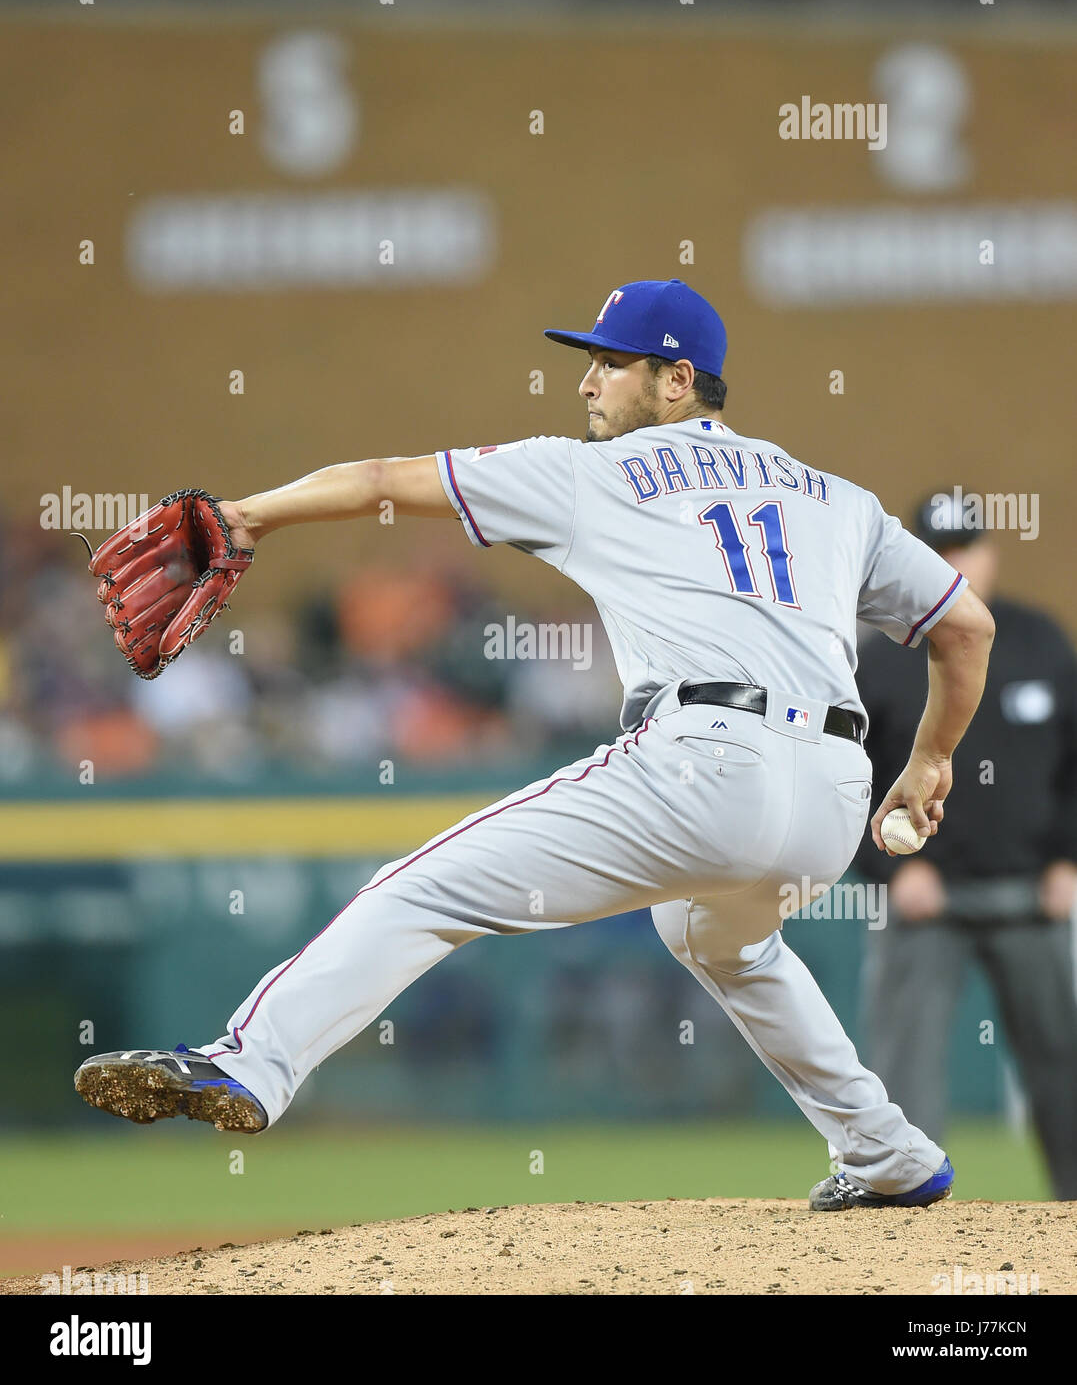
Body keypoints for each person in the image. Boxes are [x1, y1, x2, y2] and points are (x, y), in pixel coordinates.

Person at [75, 278, 995, 1211]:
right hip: (835, 793)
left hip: (704, 760)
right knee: (724, 941)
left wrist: (246, 517)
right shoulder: (837, 498)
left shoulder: (590, 473)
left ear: (677, 380)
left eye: (608, 362)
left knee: (425, 887)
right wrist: (927, 760)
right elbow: (967, 628)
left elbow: (385, 479)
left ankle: (251, 1062)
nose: (587, 382)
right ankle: (888, 1155)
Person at [856, 493, 1077, 1198]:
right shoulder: (883, 655)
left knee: (1062, 1065)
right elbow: (846, 777)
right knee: (904, 1069)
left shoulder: (1039, 639)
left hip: (1032, 896)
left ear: (988, 552)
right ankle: (901, 1204)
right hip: (926, 899)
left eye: (963, 548)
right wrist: (887, 874)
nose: (953, 563)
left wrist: (1068, 858)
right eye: (938, 550)